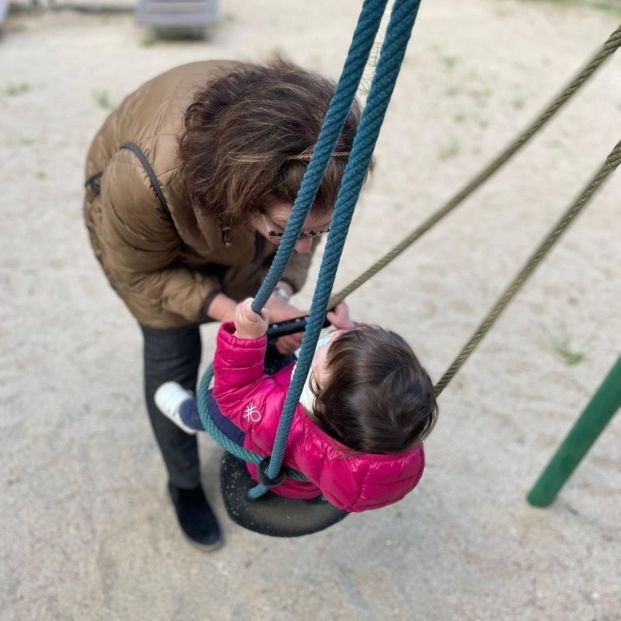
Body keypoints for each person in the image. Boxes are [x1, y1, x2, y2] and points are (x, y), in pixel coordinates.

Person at [83, 58, 361, 548]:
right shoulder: (142, 181)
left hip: (239, 221)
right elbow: (141, 274)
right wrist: (227, 308)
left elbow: (304, 233)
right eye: (287, 231)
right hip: (154, 232)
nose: (302, 246)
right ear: (242, 196)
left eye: (317, 231)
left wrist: (276, 295)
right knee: (171, 355)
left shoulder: (316, 166)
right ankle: (184, 483)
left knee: (273, 340)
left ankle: (252, 437)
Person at [155, 298, 438, 512]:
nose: (331, 337)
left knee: (215, 410)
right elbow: (370, 382)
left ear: (318, 402)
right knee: (318, 369)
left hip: (268, 454)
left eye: (327, 349)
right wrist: (347, 330)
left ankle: (186, 414)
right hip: (315, 480)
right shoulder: (397, 433)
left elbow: (237, 394)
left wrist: (247, 338)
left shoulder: (284, 421)